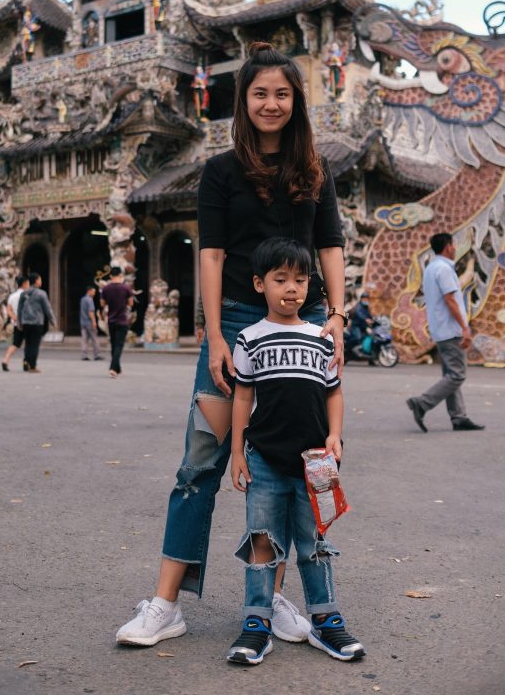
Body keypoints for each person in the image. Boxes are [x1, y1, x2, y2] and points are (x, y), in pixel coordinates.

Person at [116, 41, 347, 647]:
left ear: (297, 102)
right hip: (240, 324)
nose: (272, 103)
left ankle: (267, 602)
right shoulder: (220, 172)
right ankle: (166, 605)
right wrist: (215, 334)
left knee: (295, 462)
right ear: (243, 102)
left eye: (283, 93)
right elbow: (212, 254)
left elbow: (330, 248)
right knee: (199, 466)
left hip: (302, 331)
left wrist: (339, 318)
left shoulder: (315, 170)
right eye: (260, 93)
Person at [227, 238, 363, 665]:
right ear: (259, 283)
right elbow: (242, 398)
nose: (292, 288)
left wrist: (336, 435)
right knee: (263, 543)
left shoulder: (321, 338)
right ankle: (256, 624)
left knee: (314, 543)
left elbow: (334, 393)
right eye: (280, 279)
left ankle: (326, 620)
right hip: (264, 460)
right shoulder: (249, 338)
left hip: (315, 463)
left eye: (300, 280)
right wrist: (237, 451)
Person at [406, 232, 484, 432]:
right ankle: (422, 403)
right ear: (448, 246)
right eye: (454, 244)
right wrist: (465, 327)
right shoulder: (444, 269)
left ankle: (458, 417)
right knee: (457, 375)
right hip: (451, 330)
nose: (455, 248)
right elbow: (451, 300)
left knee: (451, 374)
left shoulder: (432, 268)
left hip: (440, 329)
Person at [18, 273, 56, 373]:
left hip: (26, 322)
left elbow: (19, 309)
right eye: (40, 280)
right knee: (35, 344)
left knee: (28, 343)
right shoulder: (41, 293)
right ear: (36, 281)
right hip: (37, 322)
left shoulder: (24, 293)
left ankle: (26, 361)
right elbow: (47, 308)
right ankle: (32, 366)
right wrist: (52, 320)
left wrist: (19, 321)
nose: (41, 281)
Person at [100, 267, 134, 378]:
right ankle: (113, 368)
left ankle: (117, 368)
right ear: (120, 275)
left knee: (114, 345)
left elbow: (102, 304)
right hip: (122, 320)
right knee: (119, 345)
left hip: (111, 320)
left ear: (110, 276)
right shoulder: (126, 288)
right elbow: (131, 303)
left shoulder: (106, 288)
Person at [2, 275, 29, 371]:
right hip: (27, 322)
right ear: (25, 283)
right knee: (29, 343)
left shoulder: (12, 296)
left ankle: (5, 360)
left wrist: (15, 318)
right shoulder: (27, 295)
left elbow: (9, 310)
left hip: (16, 323)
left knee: (15, 343)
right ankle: (26, 362)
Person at [80, 283, 102, 362]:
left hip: (83, 322)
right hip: (89, 322)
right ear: (89, 291)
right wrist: (94, 322)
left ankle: (84, 355)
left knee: (84, 339)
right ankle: (97, 354)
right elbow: (91, 312)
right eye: (93, 292)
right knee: (94, 338)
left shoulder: (83, 299)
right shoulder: (89, 300)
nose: (94, 293)